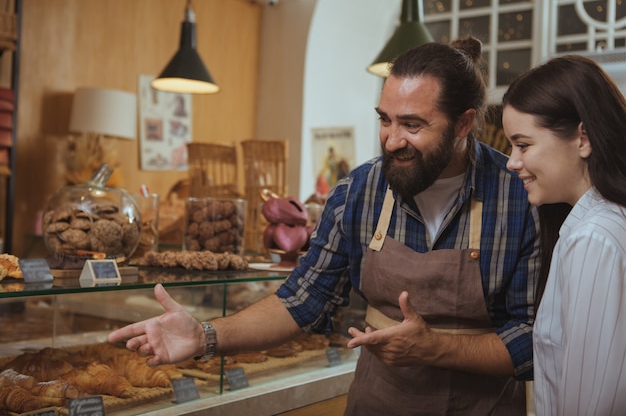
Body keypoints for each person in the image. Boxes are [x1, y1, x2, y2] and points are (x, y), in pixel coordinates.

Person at [108, 36, 540, 415]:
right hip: (379, 403)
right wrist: (204, 336)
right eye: (385, 120)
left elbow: (533, 340)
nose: (392, 140)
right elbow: (304, 301)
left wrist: (437, 348)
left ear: (464, 123)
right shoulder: (360, 191)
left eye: (412, 125)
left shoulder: (521, 195)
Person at [502, 55, 626, 416]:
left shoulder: (593, 239)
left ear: (582, 138)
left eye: (523, 145)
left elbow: (590, 404)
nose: (511, 161)